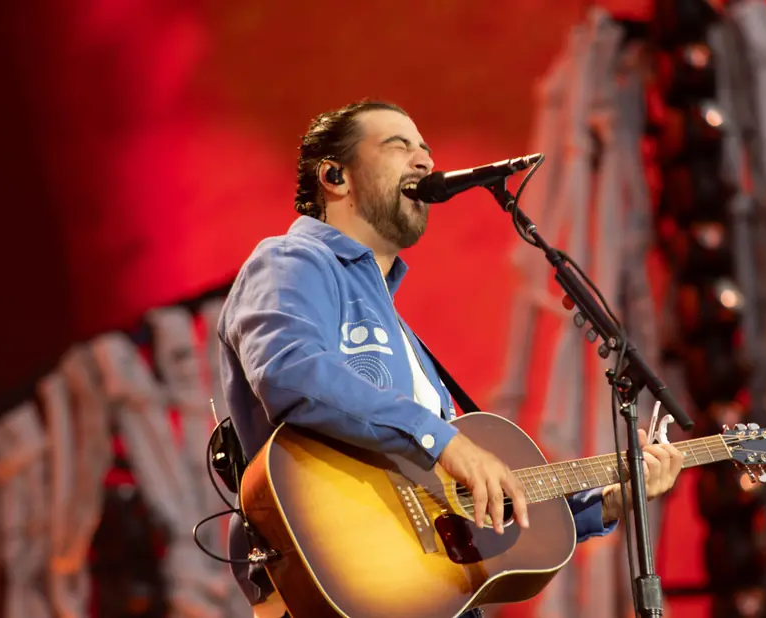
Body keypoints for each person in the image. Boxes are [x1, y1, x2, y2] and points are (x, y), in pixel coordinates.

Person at [217, 99, 686, 618]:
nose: (423, 161)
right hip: (322, 585)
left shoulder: (399, 330)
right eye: (399, 146)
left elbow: (458, 514)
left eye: (426, 148)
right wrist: (443, 439)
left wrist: (611, 502)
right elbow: (290, 371)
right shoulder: (292, 260)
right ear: (335, 175)